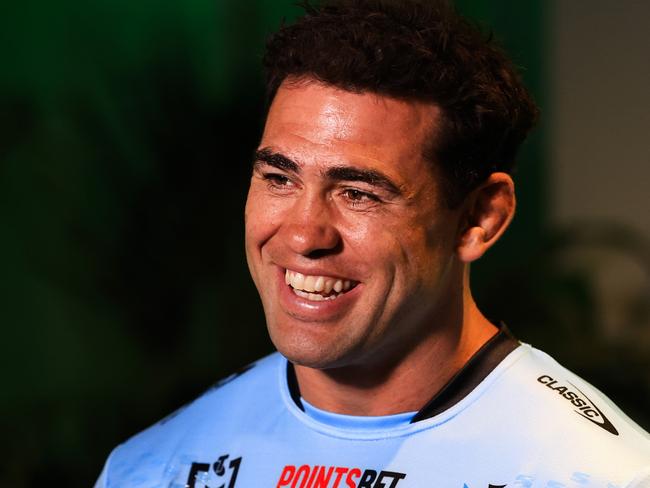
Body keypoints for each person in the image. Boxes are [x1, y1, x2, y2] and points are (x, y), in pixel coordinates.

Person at [95, 1, 650, 486]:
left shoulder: (596, 475)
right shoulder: (153, 468)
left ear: (479, 218)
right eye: (279, 178)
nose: (302, 234)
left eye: (358, 193)